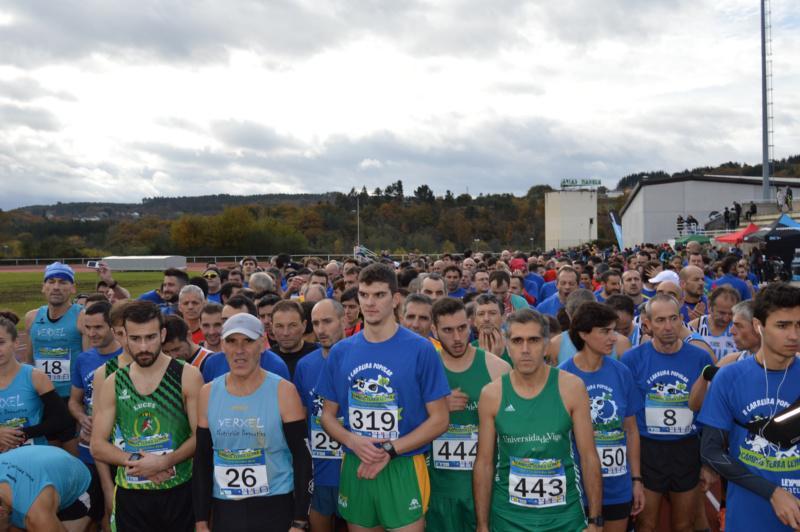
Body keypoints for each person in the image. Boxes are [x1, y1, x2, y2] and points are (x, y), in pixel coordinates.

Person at [317, 263, 450, 531]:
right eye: (364, 295)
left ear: (396, 299)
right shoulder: (342, 351)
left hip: (402, 465)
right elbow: (327, 416)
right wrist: (351, 440)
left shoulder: (421, 349)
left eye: (379, 295)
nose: (370, 303)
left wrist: (391, 449)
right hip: (357, 463)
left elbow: (440, 419)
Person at [473, 309, 603, 531]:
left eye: (533, 340)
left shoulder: (572, 388)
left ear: (546, 344)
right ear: (507, 344)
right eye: (517, 341)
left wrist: (595, 520)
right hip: (509, 518)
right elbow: (484, 463)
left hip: (565, 518)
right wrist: (482, 525)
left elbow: (589, 456)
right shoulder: (491, 394)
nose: (525, 350)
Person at [191, 313, 312, 532]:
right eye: (231, 341)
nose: (239, 350)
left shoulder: (284, 391)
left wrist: (300, 521)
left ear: (263, 344)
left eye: (248, 341)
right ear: (223, 346)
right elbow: (202, 459)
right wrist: (200, 520)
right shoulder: (208, 393)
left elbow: (302, 458)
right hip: (226, 508)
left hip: (274, 504)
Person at [90, 300, 203, 532]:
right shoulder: (113, 382)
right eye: (135, 338)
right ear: (124, 337)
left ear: (162, 334)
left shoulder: (187, 375)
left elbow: (200, 436)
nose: (143, 347)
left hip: (178, 491)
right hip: (132, 495)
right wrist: (139, 462)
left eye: (150, 337)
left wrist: (164, 462)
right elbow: (97, 445)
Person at [699, 283, 800, 532]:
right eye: (782, 325)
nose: (794, 335)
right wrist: (772, 492)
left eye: (799, 325)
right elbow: (711, 451)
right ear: (758, 326)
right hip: (748, 514)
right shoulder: (730, 377)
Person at [620, 294, 714, 532]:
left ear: (682, 319)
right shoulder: (632, 358)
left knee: (684, 525)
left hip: (686, 448)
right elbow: (627, 416)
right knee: (646, 524)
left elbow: (708, 409)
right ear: (648, 324)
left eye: (674, 319)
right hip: (648, 449)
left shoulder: (700, 357)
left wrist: (707, 461)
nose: (668, 326)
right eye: (660, 320)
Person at [426, 298, 511, 531]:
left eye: (462, 328)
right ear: (434, 330)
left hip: (484, 491)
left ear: (470, 324)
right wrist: (435, 406)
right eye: (447, 330)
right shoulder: (425, 368)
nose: (456, 338)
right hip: (436, 489)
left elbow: (511, 433)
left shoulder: (497, 368)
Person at [559, 302, 645, 531]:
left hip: (617, 485)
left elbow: (631, 430)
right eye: (605, 331)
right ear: (584, 334)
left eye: (614, 330)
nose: (614, 337)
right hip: (576, 487)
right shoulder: (562, 376)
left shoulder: (621, 373)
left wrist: (636, 480)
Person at [67, 301, 124, 525]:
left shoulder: (126, 357)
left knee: (117, 512)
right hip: (89, 450)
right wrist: (82, 418)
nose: (92, 333)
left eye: (98, 327)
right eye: (88, 327)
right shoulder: (84, 359)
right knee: (93, 512)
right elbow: (74, 401)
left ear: (112, 327)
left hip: (120, 449)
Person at [293, 300, 346, 532]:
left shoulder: (360, 358)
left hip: (355, 471)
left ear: (344, 321)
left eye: (327, 321)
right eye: (316, 323)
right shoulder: (305, 366)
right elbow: (301, 419)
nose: (321, 329)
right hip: (319, 472)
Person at [23, 262, 84, 450]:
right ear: (44, 287)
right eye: (51, 281)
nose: (56, 287)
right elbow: (28, 360)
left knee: (72, 457)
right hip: (42, 398)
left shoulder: (82, 316)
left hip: (70, 398)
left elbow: (88, 362)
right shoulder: (33, 317)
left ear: (73, 288)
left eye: (63, 282)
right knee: (48, 454)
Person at [0, 312, 72, 449]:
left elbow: (61, 420)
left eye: (1, 342)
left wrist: (22, 434)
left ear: (16, 343)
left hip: (32, 456)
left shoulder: (35, 377)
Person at [0, 446, 91, 531]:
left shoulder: (36, 515)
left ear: (1, 513)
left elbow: (38, 519)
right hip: (46, 462)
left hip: (82, 483)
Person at [201, 299, 290, 383]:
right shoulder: (212, 363)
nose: (231, 324)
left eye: (239, 320)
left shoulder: (276, 366)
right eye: (225, 320)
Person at [269, 300, 319, 377]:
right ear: (272, 327)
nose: (286, 333)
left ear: (304, 326)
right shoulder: (265, 360)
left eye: (292, 325)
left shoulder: (320, 354)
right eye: (279, 326)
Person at [688, 285, 740, 360]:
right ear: (710, 307)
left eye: (731, 314)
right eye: (721, 313)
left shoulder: (740, 329)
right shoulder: (695, 326)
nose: (726, 319)